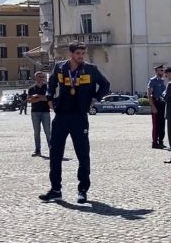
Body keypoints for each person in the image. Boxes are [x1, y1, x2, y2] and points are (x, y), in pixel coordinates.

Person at [39, 41, 110, 203]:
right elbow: (51, 85)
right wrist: (49, 99)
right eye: (78, 53)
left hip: (79, 116)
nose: (81, 56)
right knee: (55, 153)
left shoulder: (91, 69)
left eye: (82, 53)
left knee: (83, 154)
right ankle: (55, 189)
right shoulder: (60, 68)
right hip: (61, 115)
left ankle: (83, 190)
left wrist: (95, 98)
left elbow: (105, 85)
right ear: (71, 54)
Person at [27, 71, 51, 157]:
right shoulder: (31, 88)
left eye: (42, 76)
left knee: (48, 132)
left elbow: (48, 98)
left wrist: (37, 97)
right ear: (35, 78)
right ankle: (37, 150)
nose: (41, 78)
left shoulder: (47, 87)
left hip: (45, 112)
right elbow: (29, 100)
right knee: (36, 132)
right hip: (35, 112)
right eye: (39, 76)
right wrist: (41, 98)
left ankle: (51, 150)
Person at [148, 64, 166, 149]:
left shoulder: (162, 81)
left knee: (162, 124)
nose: (162, 72)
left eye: (162, 70)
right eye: (160, 70)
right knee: (156, 124)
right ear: (156, 71)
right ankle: (154, 142)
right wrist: (153, 106)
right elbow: (149, 94)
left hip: (162, 104)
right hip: (156, 103)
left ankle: (161, 141)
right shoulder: (152, 81)